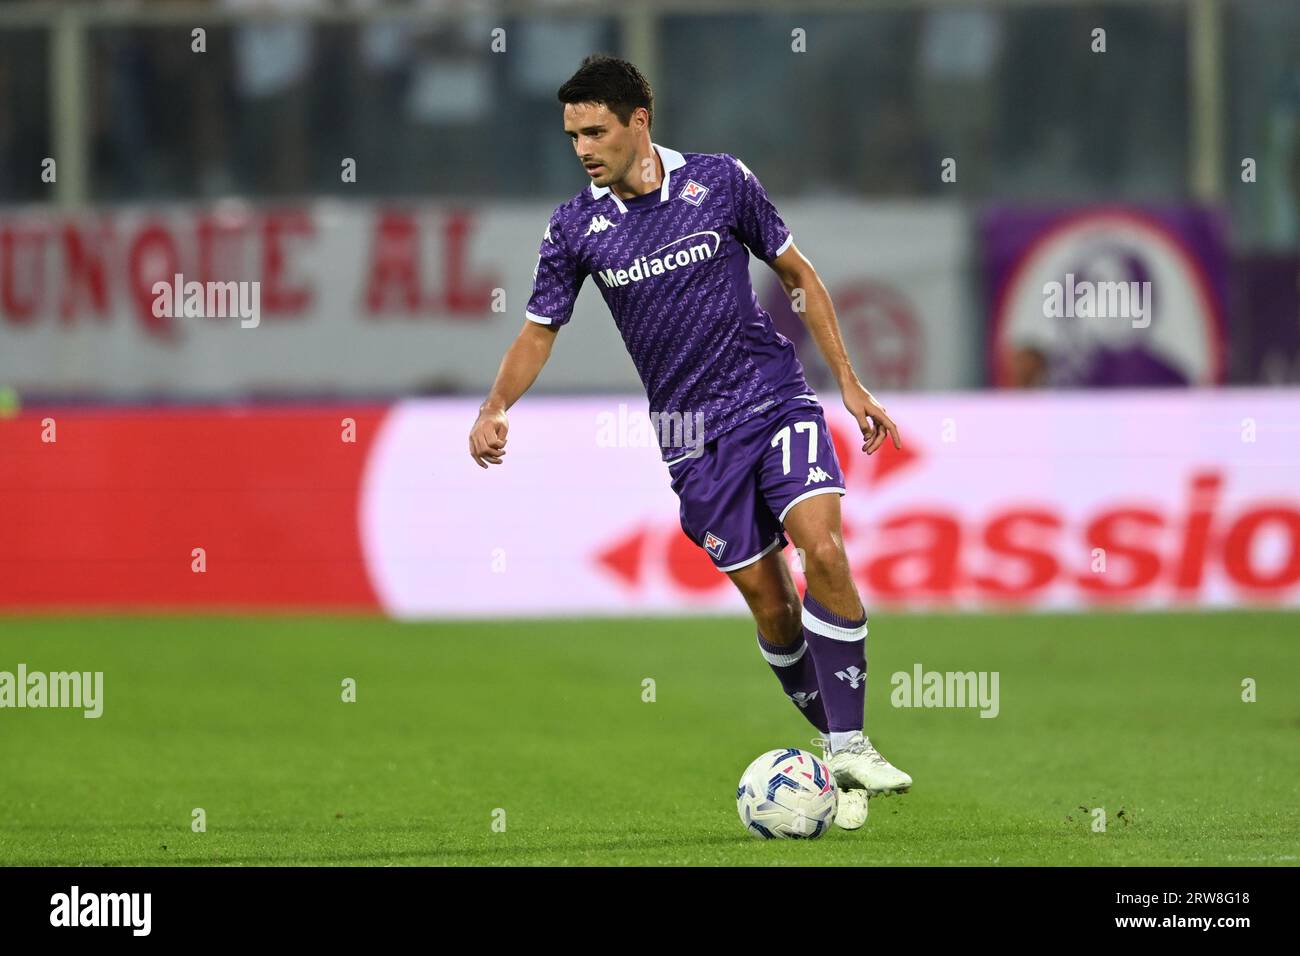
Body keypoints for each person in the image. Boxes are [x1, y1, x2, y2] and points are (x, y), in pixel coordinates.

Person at [467, 55, 910, 830]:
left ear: (641, 121)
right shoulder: (575, 227)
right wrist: (497, 403)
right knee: (771, 604)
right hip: (691, 439)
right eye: (572, 134)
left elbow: (796, 272)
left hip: (774, 400)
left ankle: (850, 743)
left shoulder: (721, 181)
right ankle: (830, 749)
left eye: (595, 130)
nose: (582, 148)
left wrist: (849, 381)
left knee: (826, 550)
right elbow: (540, 329)